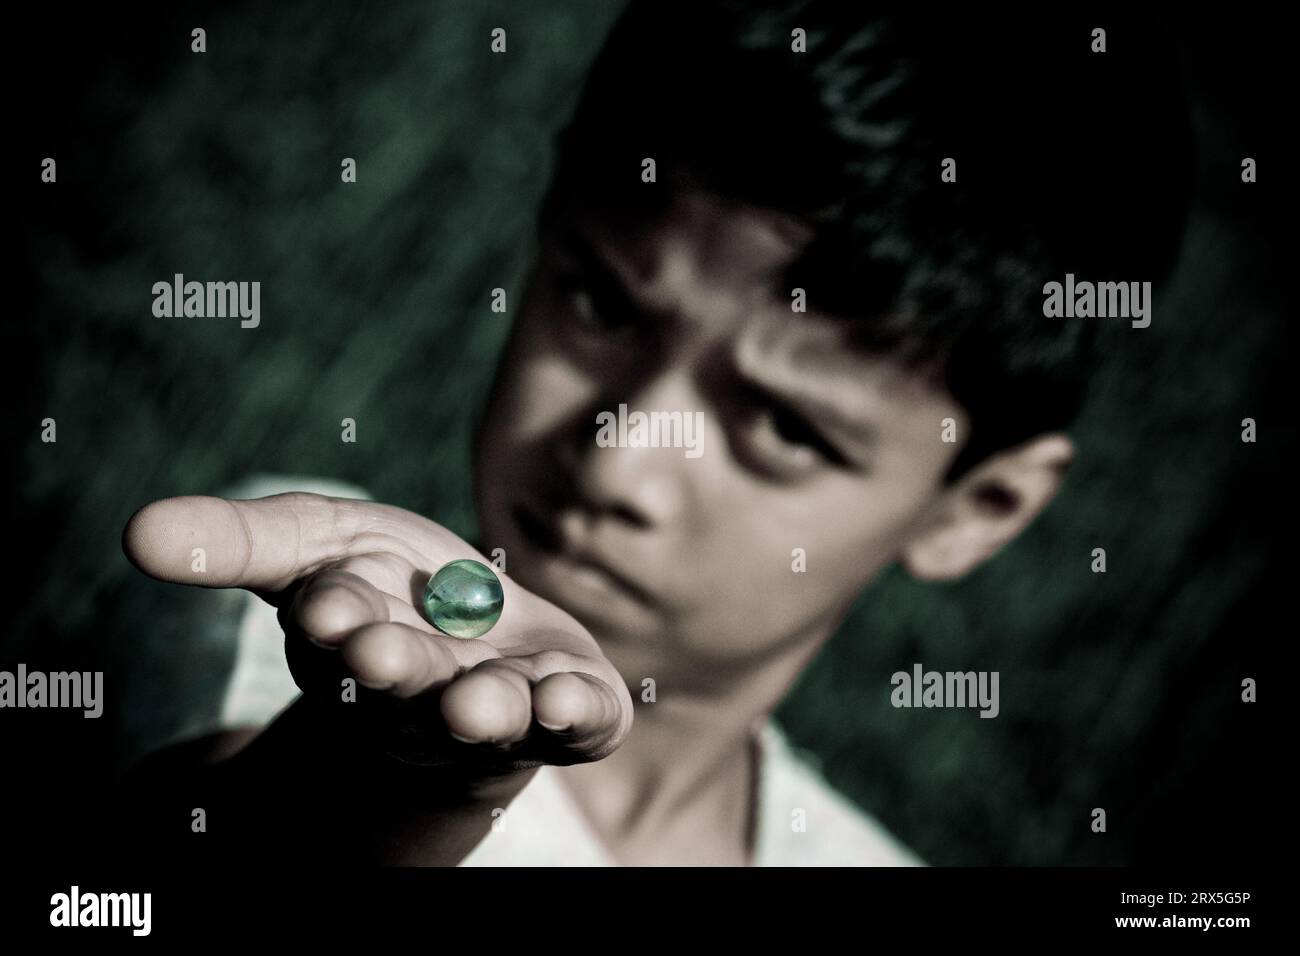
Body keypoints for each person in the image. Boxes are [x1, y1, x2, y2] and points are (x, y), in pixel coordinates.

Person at [116, 2, 1191, 866]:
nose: (616, 455)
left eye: (781, 425)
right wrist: (379, 791)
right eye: (599, 305)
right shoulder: (306, 605)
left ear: (977, 509)